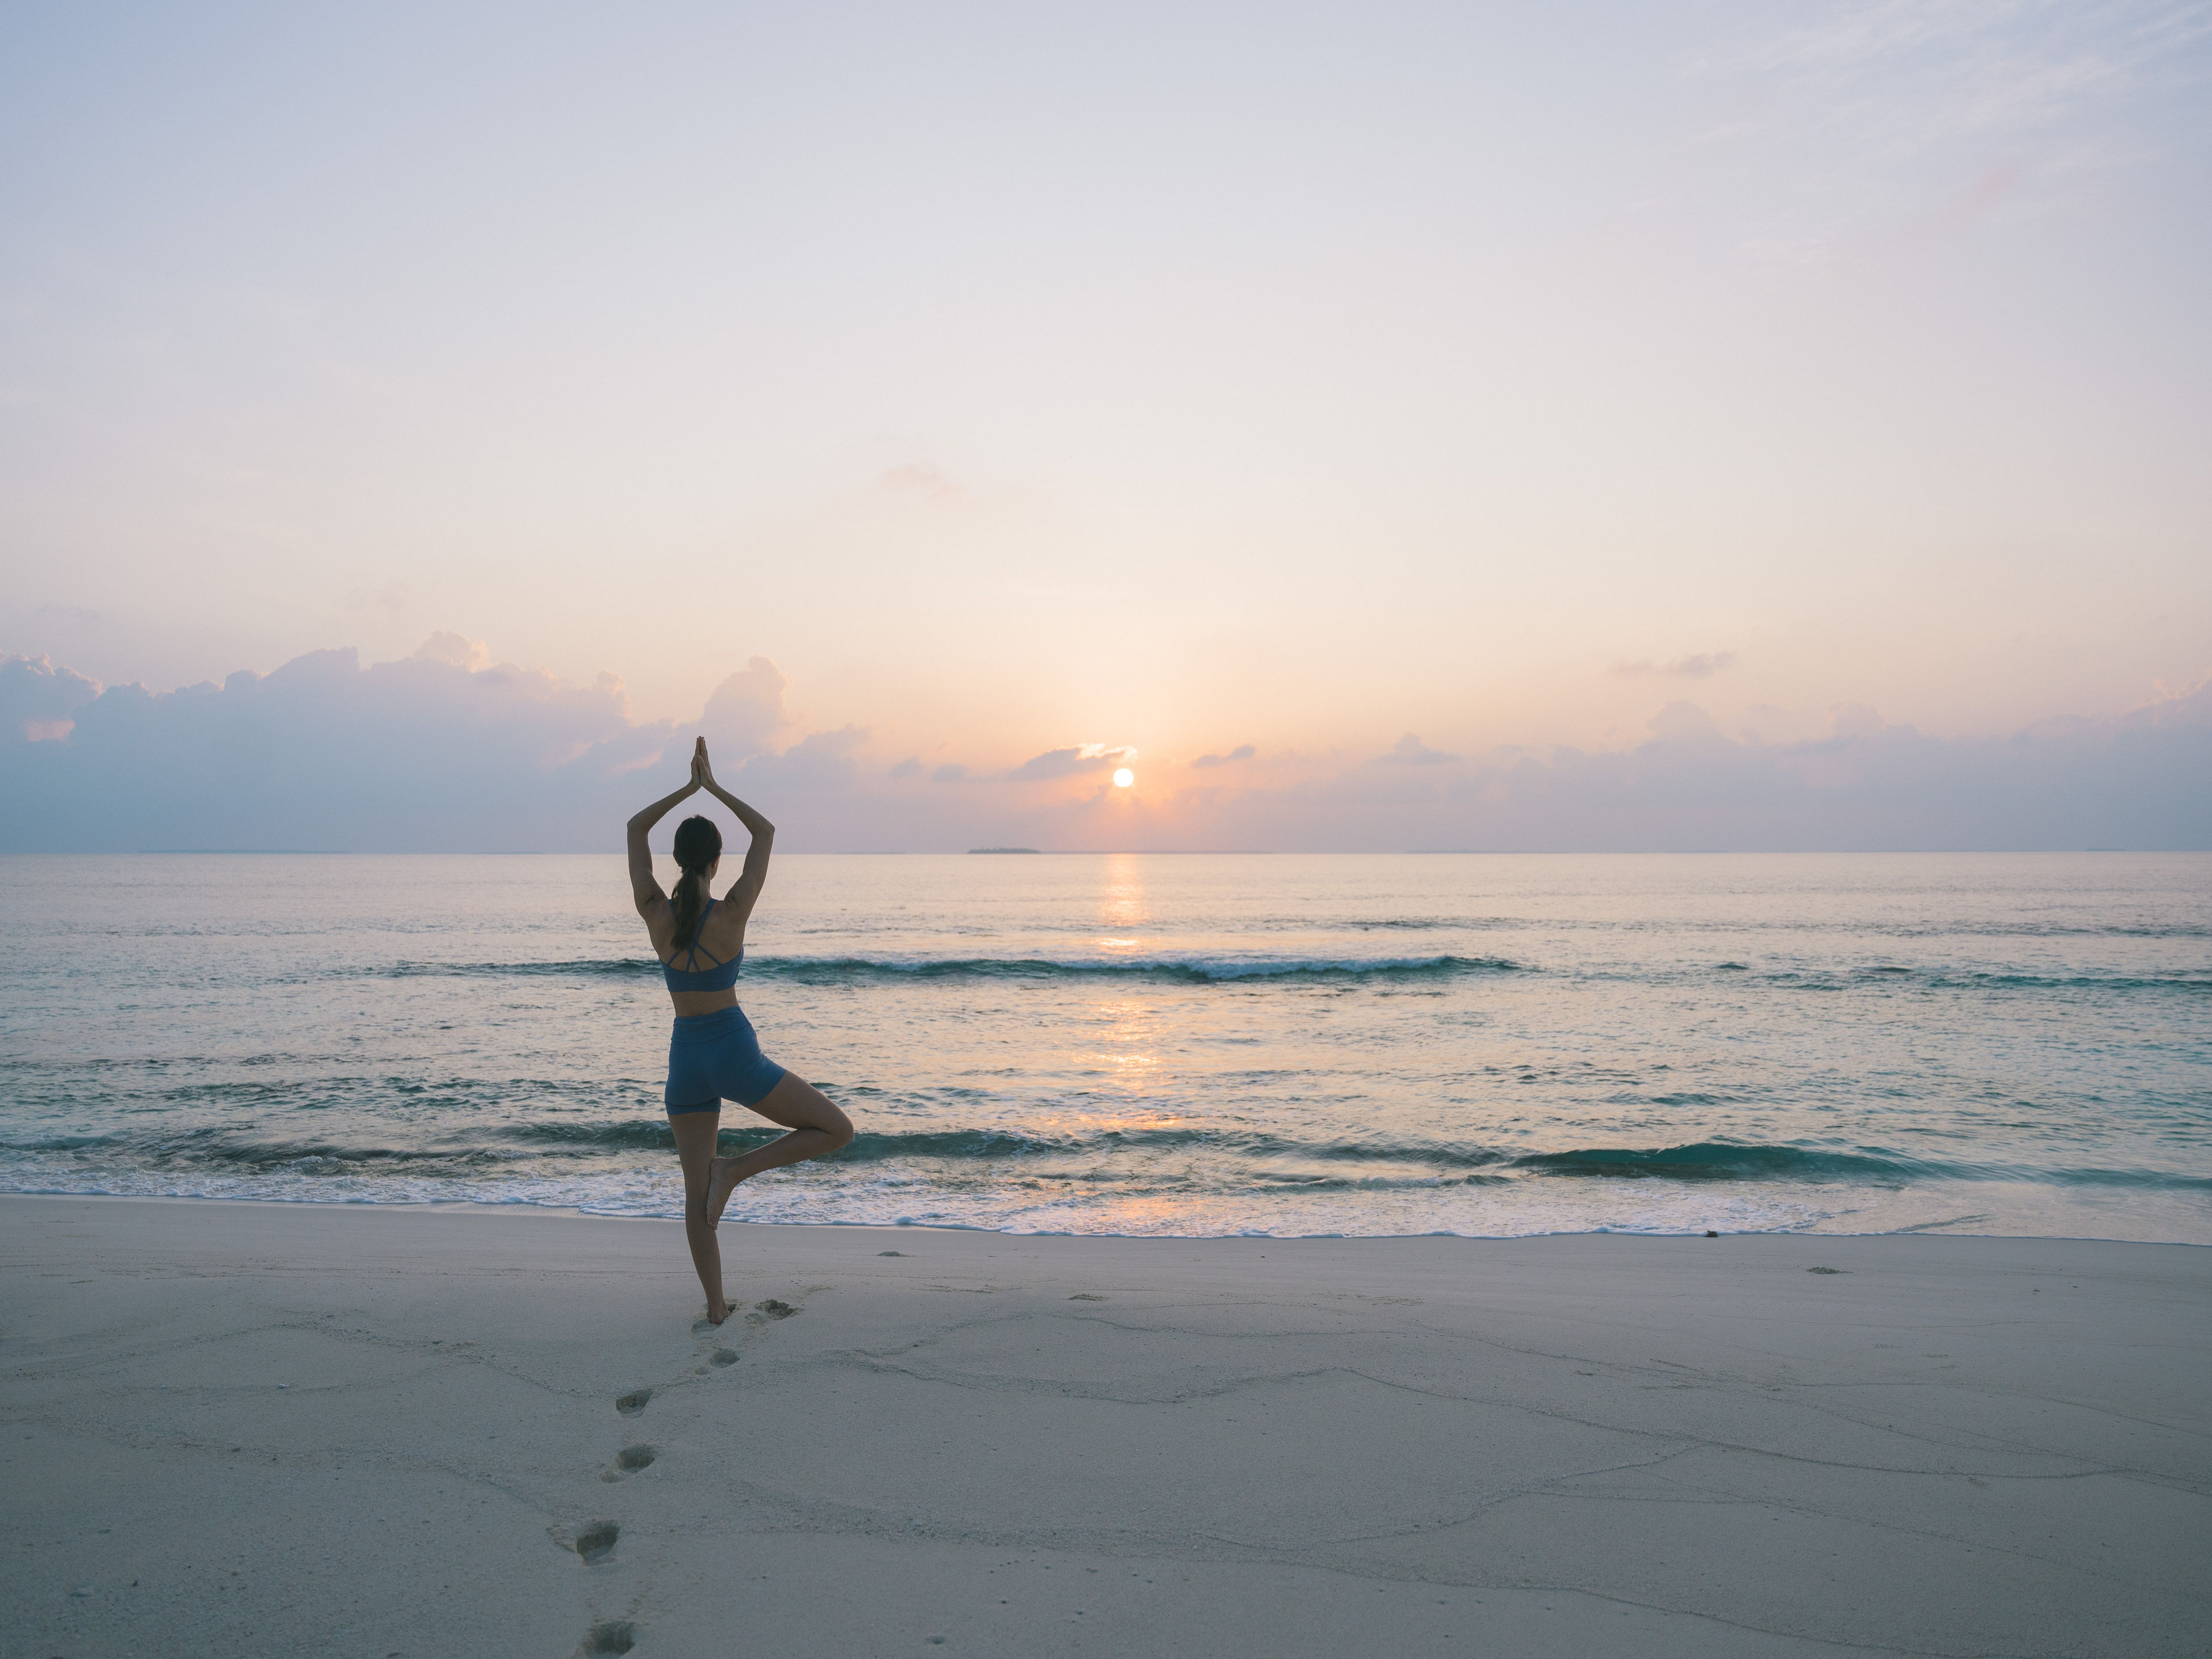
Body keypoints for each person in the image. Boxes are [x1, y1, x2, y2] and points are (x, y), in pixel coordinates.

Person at [628, 737, 854, 1325]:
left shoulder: (655, 912)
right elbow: (767, 833)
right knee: (836, 1128)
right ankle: (735, 1172)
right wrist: (714, 786)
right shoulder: (730, 915)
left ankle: (716, 1308)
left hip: (685, 1061)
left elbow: (633, 829)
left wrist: (686, 788)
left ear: (678, 860)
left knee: (692, 1191)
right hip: (734, 1054)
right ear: (715, 863)